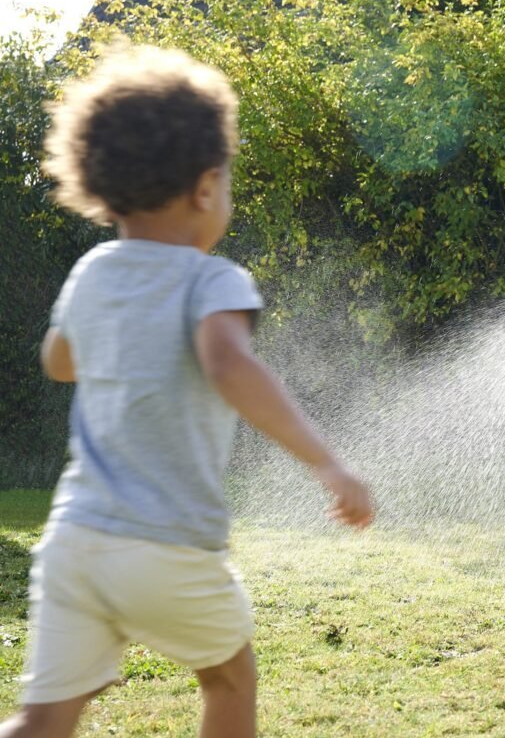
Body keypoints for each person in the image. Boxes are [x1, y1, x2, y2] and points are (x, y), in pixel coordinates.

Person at [0, 44, 374, 738]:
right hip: (166, 546)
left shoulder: (92, 275)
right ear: (205, 188)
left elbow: (59, 361)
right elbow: (230, 368)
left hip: (75, 541)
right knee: (229, 677)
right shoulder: (211, 280)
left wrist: (121, 344)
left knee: (45, 718)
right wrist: (327, 461)